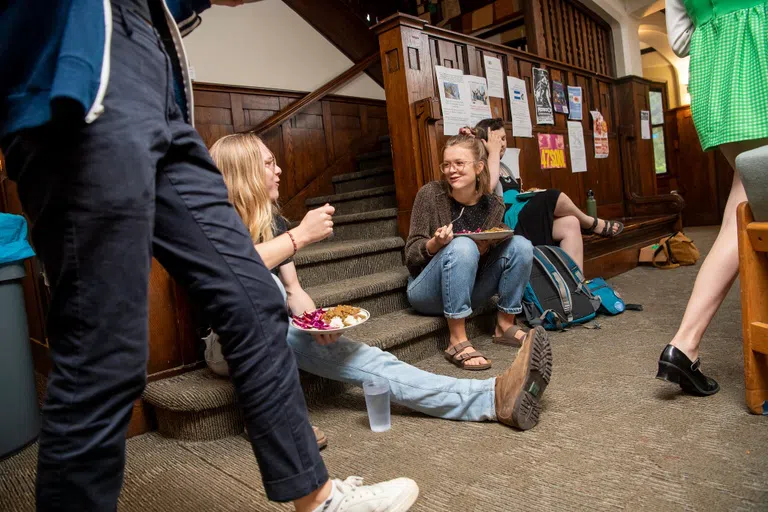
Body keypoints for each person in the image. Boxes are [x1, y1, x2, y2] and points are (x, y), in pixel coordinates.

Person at [0, 1, 419, 511]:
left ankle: (319, 501)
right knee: (103, 357)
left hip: (159, 83)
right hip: (81, 70)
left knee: (253, 303)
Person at [205, 132, 552, 431]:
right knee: (271, 288)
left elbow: (296, 292)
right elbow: (231, 269)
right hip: (230, 346)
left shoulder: (272, 222)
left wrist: (318, 325)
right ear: (246, 173)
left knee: (369, 358)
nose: (278, 169)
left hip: (281, 331)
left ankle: (489, 398)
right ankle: (271, 416)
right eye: (268, 164)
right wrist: (299, 237)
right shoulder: (211, 223)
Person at [657, 0, 768, 396]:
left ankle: (683, 345)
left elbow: (681, 41)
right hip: (761, 59)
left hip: (721, 88)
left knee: (744, 208)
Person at [405, 133, 552, 381]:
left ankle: (505, 324)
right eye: (446, 164)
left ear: (478, 166)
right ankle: (457, 339)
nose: (451, 170)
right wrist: (435, 244)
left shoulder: (493, 204)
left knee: (521, 245)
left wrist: (489, 247)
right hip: (426, 292)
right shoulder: (430, 194)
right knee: (463, 246)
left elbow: (497, 249)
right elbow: (410, 256)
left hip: (469, 288)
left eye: (459, 163)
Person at [467, 118, 624, 271]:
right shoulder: (479, 166)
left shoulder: (504, 166)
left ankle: (576, 285)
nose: (502, 144)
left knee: (570, 223)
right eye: (497, 139)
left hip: (520, 212)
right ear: (485, 141)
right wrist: (491, 152)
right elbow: (488, 188)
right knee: (553, 196)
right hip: (507, 221)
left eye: (503, 138)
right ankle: (591, 223)